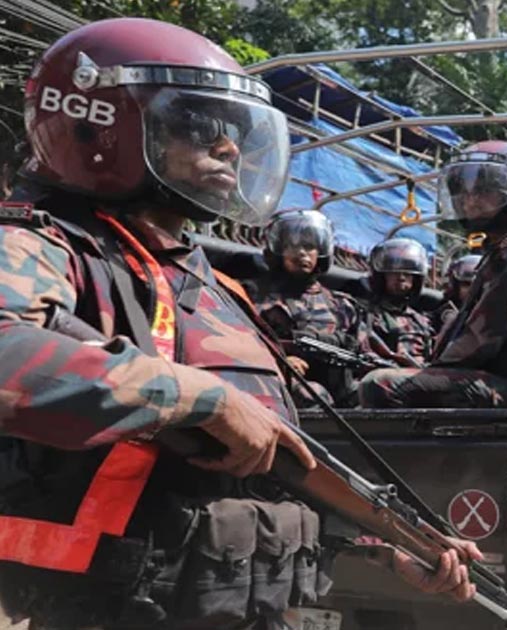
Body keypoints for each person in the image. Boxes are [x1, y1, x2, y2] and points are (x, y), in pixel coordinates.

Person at [0, 18, 477, 629]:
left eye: (232, 134)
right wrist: (199, 397)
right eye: (199, 127)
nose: (229, 149)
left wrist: (385, 549)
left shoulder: (210, 281)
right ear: (100, 126)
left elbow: (259, 474)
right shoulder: (43, 244)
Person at [360, 141, 507, 408]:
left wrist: (429, 369)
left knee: (378, 384)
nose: (470, 200)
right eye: (463, 192)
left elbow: (480, 341)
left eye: (485, 191)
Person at [250, 209, 377, 407]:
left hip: (342, 387)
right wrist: (283, 361)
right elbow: (245, 347)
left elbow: (365, 356)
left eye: (309, 246)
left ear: (321, 252)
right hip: (285, 383)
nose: (301, 253)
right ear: (278, 251)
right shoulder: (259, 300)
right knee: (314, 394)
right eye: (292, 246)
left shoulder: (343, 305)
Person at [365, 237, 437, 367]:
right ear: (382, 277)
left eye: (408, 274)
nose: (401, 278)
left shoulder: (421, 321)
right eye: (394, 273)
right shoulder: (366, 314)